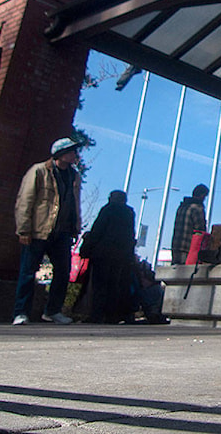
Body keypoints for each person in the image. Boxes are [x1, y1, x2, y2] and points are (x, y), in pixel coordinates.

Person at [12, 137, 84, 325]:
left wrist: (76, 225)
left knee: (63, 271)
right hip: (38, 231)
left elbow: (74, 202)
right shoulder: (39, 171)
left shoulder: (74, 176)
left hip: (62, 233)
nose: (75, 155)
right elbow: (25, 201)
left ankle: (52, 311)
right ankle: (21, 312)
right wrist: (24, 229)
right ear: (61, 153)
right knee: (28, 271)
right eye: (72, 151)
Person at [86, 190, 137, 323]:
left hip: (102, 253)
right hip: (121, 256)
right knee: (114, 285)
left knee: (99, 285)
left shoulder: (107, 210)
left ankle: (96, 315)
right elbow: (130, 235)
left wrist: (87, 247)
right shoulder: (129, 213)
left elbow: (97, 230)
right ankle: (111, 315)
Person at [170, 184, 208, 265]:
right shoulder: (197, 209)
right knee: (186, 274)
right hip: (188, 249)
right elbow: (200, 231)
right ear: (202, 196)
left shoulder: (182, 207)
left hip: (176, 247)